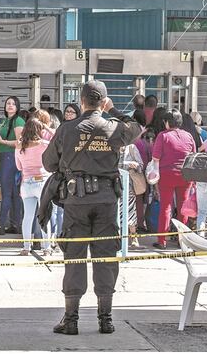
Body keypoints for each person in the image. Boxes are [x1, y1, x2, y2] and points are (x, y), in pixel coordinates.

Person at [42, 80, 142, 336]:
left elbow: (49, 163)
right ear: (103, 102)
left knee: (74, 256)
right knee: (106, 256)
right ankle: (105, 319)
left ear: (82, 101)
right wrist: (114, 110)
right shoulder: (114, 127)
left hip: (76, 201)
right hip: (107, 200)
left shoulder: (66, 128)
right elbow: (138, 127)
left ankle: (71, 319)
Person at [151, 110, 196, 248]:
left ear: (167, 122)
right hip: (185, 175)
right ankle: (182, 240)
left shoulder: (163, 136)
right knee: (183, 208)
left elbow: (155, 157)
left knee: (166, 207)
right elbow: (193, 156)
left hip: (167, 175)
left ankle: (162, 241)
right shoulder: (188, 136)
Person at [15, 116, 51, 255]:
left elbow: (18, 166)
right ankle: (47, 247)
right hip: (42, 181)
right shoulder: (44, 144)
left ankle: (26, 247)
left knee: (28, 216)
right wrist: (48, 128)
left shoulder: (19, 145)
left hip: (26, 183)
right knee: (44, 216)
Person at [0, 96, 26, 235]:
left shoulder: (18, 120)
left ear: (17, 107)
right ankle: (15, 224)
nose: (10, 105)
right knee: (14, 194)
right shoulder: (7, 120)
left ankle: (0, 225)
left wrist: (2, 141)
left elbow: (20, 142)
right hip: (6, 157)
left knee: (6, 193)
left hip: (10, 158)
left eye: (13, 104)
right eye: (8, 103)